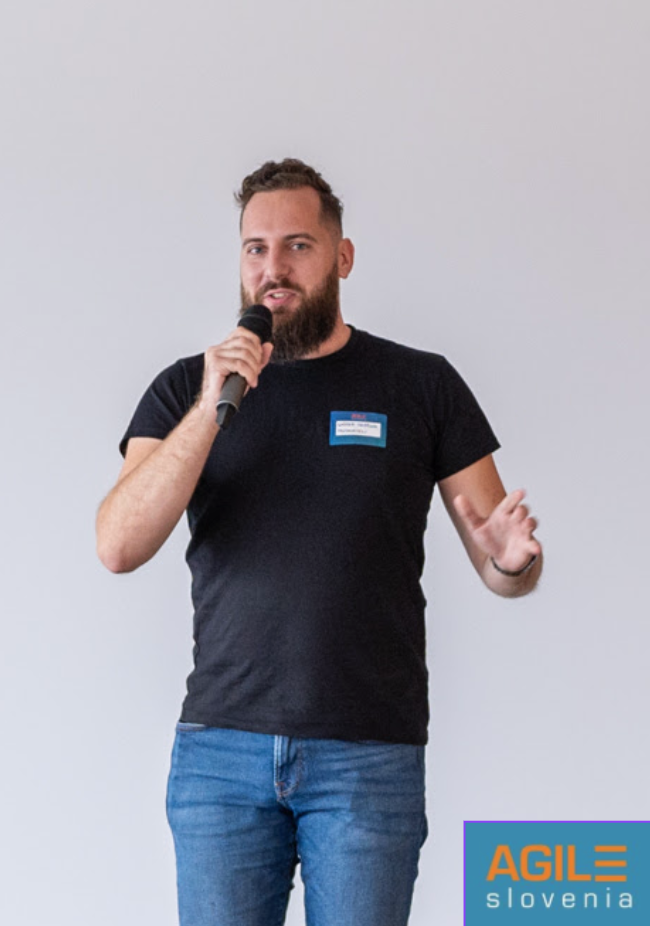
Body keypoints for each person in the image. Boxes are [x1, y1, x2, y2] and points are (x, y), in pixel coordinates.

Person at [96, 158, 542, 926]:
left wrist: (510, 560)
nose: (274, 268)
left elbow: (504, 572)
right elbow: (118, 545)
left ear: (342, 257)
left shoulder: (421, 385)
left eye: (297, 246)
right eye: (256, 248)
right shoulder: (184, 389)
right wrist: (210, 409)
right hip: (221, 756)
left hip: (367, 754)